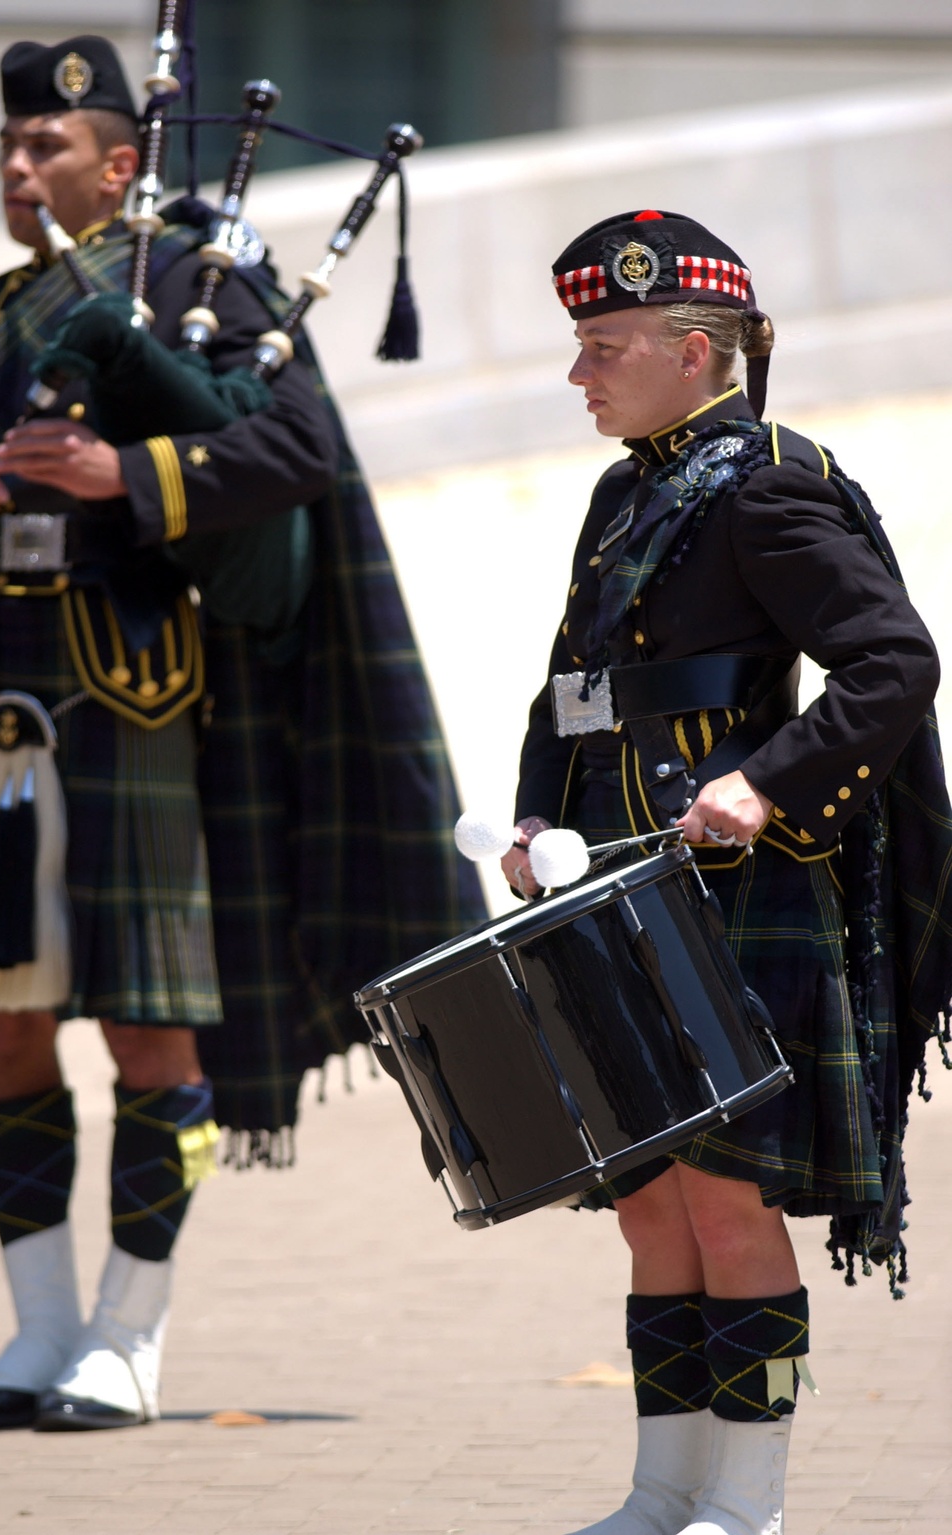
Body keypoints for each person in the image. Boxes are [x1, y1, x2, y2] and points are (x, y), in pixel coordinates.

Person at [0, 36, 481, 1434]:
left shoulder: (196, 283)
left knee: (147, 1028)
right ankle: (39, 1335)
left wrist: (129, 470)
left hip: (143, 701)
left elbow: (299, 445)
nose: (18, 168)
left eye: (47, 148)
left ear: (123, 160)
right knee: (3, 1028)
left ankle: (128, 1342)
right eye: (9, 149)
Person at [503, 210, 952, 1535]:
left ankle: (744, 1509)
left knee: (732, 1205)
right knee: (651, 1205)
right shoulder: (622, 490)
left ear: (699, 351)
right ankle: (661, 1495)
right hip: (619, 889)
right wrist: (534, 819)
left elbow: (893, 664)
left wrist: (765, 781)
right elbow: (570, 695)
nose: (578, 374)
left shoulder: (769, 486)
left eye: (603, 346)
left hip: (739, 890)